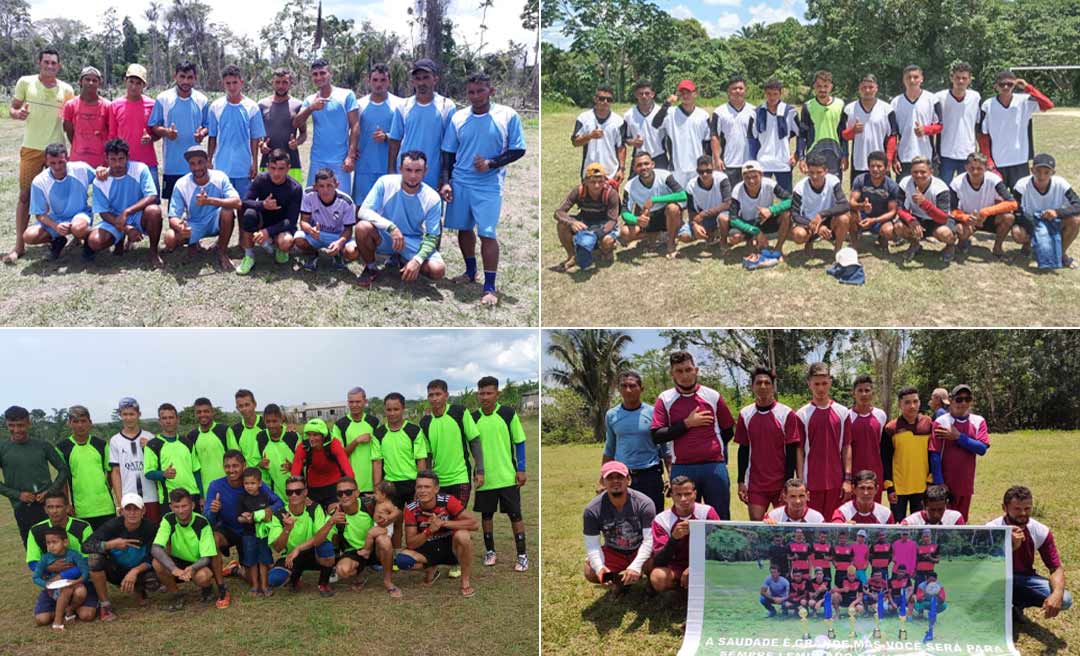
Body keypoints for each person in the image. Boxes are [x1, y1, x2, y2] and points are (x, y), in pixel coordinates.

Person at [440, 72, 528, 306]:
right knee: (463, 229)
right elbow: (448, 153)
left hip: (489, 185)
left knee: (487, 234)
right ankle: (470, 272)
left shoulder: (507, 115)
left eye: (481, 91)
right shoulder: (459, 118)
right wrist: (446, 181)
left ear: (491, 91)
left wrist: (491, 163)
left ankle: (489, 287)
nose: (476, 96)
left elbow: (518, 149)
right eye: (471, 92)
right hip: (460, 182)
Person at [5, 48, 74, 265]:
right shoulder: (25, 82)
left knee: (60, 196)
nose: (50, 66)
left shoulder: (67, 89)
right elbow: (13, 109)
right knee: (25, 196)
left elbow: (70, 121)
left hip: (57, 151)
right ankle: (19, 245)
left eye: (54, 63)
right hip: (31, 149)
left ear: (59, 66)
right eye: (46, 62)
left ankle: (65, 236)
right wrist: (18, 114)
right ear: (39, 63)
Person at [651, 351, 736, 518]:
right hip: (682, 466)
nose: (685, 375)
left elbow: (727, 430)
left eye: (688, 370)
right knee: (685, 517)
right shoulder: (665, 399)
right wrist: (687, 424)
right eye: (679, 371)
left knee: (720, 517)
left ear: (696, 370)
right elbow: (657, 435)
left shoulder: (712, 396)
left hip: (713, 466)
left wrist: (711, 448)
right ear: (672, 373)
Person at [354, 151, 445, 285]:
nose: (413, 176)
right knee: (362, 227)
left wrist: (417, 260)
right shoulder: (385, 182)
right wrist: (391, 227)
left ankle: (405, 259)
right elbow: (363, 211)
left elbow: (432, 236)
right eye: (408, 170)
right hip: (386, 235)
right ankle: (371, 268)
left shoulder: (432, 198)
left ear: (425, 171)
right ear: (400, 168)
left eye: (418, 171)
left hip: (412, 240)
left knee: (437, 270)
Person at [986, 485, 1072, 622]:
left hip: (1025, 579)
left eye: (1027, 508)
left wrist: (1057, 593)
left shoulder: (1040, 530)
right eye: (1017, 509)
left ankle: (1015, 604)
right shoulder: (991, 529)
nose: (1023, 513)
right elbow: (983, 567)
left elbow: (1055, 568)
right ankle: (1003, 606)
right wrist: (1011, 546)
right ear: (1004, 508)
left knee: (1065, 599)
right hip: (995, 579)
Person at [472, 376, 530, 571]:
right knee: (486, 516)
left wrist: (521, 468)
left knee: (515, 515)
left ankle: (522, 555)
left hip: (507, 477)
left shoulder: (507, 413)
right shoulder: (473, 418)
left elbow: (519, 441)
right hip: (485, 479)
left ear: (497, 393)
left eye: (489, 393)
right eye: (482, 393)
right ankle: (490, 552)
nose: (485, 397)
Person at [396, 470, 480, 597]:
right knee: (402, 560)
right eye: (419, 487)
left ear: (436, 489)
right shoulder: (411, 509)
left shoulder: (448, 501)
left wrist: (443, 523)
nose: (423, 491)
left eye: (427, 487)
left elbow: (474, 524)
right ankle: (431, 568)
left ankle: (465, 581)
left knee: (463, 536)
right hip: (428, 547)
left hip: (451, 546)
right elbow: (411, 543)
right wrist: (429, 530)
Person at [735, 366, 801, 521]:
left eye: (767, 383)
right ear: (752, 386)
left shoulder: (786, 413)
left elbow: (791, 451)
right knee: (758, 527)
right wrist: (740, 481)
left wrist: (787, 484)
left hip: (780, 482)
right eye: (759, 383)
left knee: (783, 527)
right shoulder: (745, 414)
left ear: (773, 386)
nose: (763, 386)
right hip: (756, 483)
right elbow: (743, 449)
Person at [1, 405, 70, 549]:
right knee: (32, 547)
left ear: (29, 423)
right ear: (6, 424)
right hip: (22, 507)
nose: (16, 430)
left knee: (57, 546)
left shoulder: (42, 446)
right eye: (11, 425)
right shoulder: (3, 449)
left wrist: (50, 491)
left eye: (20, 425)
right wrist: (18, 495)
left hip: (48, 505)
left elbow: (63, 470)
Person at [85, 138, 163, 265]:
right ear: (106, 159)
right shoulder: (100, 181)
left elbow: (152, 196)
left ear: (128, 157)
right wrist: (126, 228)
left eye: (121, 159)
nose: (117, 164)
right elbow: (103, 212)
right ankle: (119, 238)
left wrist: (127, 212)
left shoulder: (140, 169)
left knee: (154, 211)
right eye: (113, 159)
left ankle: (153, 252)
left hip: (137, 214)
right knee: (95, 242)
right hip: (115, 218)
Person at [583, 461, 656, 596]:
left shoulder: (644, 503)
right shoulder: (592, 510)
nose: (615, 481)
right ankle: (618, 581)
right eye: (610, 478)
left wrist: (636, 565)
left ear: (628, 480)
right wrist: (599, 568)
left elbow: (649, 541)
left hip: (639, 548)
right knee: (590, 571)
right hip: (614, 551)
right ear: (602, 482)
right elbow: (592, 545)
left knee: (656, 560)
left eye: (620, 477)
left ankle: (651, 583)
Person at [164, 145, 242, 270]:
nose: (197, 167)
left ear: (207, 161)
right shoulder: (181, 184)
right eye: (192, 164)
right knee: (170, 238)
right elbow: (173, 216)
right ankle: (193, 243)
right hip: (194, 224)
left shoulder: (220, 177)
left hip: (215, 221)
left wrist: (209, 201)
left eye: (200, 162)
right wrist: (181, 227)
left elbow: (237, 202)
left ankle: (222, 252)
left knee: (227, 211)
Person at [207, 449, 285, 575]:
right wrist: (213, 511)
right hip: (228, 530)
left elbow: (279, 503)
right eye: (227, 466)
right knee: (214, 538)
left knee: (260, 577)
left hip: (250, 532)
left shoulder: (254, 482)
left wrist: (266, 511)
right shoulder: (215, 486)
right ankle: (219, 580)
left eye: (235, 466)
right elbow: (207, 519)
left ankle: (235, 570)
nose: (231, 470)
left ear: (244, 465)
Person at [604, 371, 671, 514]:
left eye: (632, 386)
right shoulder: (611, 415)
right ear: (619, 389)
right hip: (622, 475)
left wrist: (671, 475)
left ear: (641, 389)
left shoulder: (654, 413)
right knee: (624, 517)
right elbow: (610, 448)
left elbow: (665, 448)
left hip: (650, 474)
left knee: (653, 515)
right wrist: (602, 478)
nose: (628, 390)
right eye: (624, 386)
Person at [152, 488, 229, 610]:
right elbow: (155, 548)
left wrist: (192, 568)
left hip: (197, 562)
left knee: (203, 576)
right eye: (176, 507)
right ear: (171, 507)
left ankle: (207, 588)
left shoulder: (202, 522)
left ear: (192, 505)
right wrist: (174, 569)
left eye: (184, 506)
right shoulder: (168, 519)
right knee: (157, 563)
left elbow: (206, 558)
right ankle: (176, 594)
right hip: (177, 560)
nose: (181, 510)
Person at [83, 492, 156, 621]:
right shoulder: (111, 526)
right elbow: (86, 546)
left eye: (136, 509)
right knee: (94, 559)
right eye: (128, 509)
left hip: (140, 571)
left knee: (153, 582)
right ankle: (105, 605)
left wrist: (135, 571)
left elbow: (153, 555)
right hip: (115, 570)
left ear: (143, 510)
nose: (132, 513)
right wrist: (110, 544)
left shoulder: (150, 527)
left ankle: (139, 588)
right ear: (121, 511)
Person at [978, 69, 1055, 191]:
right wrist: (988, 160)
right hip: (998, 161)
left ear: (1014, 85)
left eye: (1009, 84)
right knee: (999, 198)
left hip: (1020, 159)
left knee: (1021, 196)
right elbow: (983, 134)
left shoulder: (1024, 101)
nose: (1006, 87)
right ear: (996, 86)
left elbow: (1048, 105)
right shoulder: (988, 105)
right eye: (1002, 84)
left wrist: (1027, 87)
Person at [388, 58, 456, 191]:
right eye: (417, 79)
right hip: (406, 172)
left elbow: (449, 148)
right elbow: (395, 141)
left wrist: (445, 178)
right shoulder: (403, 106)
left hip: (432, 174)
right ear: (412, 82)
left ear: (435, 79)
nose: (421, 83)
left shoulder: (446, 106)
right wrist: (391, 171)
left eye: (426, 78)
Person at [149, 61, 210, 204]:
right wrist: (166, 132)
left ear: (195, 78)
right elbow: (154, 125)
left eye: (190, 77)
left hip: (196, 165)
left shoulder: (202, 100)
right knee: (173, 206)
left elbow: (208, 126)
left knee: (196, 204)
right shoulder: (164, 99)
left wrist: (202, 133)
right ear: (175, 76)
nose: (186, 81)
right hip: (172, 165)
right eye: (182, 77)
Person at [796, 362, 851, 520]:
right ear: (809, 384)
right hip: (811, 482)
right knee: (813, 526)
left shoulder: (842, 413)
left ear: (830, 382)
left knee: (835, 525)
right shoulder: (802, 414)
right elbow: (799, 450)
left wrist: (847, 479)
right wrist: (801, 482)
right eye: (817, 384)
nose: (821, 388)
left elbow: (846, 446)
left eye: (824, 383)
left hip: (836, 481)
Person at [22, 143, 96, 261]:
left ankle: (89, 240)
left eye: (61, 162)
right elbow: (39, 214)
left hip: (80, 214)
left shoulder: (81, 169)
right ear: (46, 162)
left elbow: (101, 179)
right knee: (29, 236)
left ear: (67, 159)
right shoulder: (39, 181)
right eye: (53, 163)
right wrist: (55, 226)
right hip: (55, 219)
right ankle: (57, 240)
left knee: (78, 228)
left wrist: (101, 171)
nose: (57, 167)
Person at [372, 393, 429, 546]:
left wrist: (420, 486)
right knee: (395, 521)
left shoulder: (413, 431)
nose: (392, 413)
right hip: (391, 485)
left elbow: (421, 460)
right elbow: (377, 462)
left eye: (396, 409)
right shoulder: (379, 433)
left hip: (412, 483)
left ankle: (416, 552)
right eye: (389, 410)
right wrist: (377, 488)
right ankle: (396, 553)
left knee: (417, 521)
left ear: (403, 409)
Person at [418, 379, 483, 512]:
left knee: (457, 517)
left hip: (460, 478)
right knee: (440, 517)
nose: (434, 398)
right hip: (438, 481)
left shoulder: (459, 412)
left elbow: (474, 441)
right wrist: (427, 479)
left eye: (438, 394)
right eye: (431, 395)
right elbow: (428, 455)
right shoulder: (425, 422)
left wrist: (480, 470)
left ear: (446, 395)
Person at [293, 58, 358, 190]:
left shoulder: (346, 95)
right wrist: (311, 108)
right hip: (317, 159)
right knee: (313, 197)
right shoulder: (310, 100)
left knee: (341, 198)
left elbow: (355, 126)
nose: (319, 77)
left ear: (330, 74)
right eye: (315, 74)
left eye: (322, 73)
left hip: (340, 160)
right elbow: (296, 123)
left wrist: (351, 156)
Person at [265, 476, 336, 596]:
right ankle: (295, 578)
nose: (293, 495)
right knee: (273, 580)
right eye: (289, 492)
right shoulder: (279, 514)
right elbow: (278, 548)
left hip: (313, 551)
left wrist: (298, 548)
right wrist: (286, 530)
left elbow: (320, 537)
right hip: (291, 557)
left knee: (326, 547)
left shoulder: (314, 508)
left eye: (298, 491)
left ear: (305, 492)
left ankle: (323, 584)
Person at [649, 476, 718, 596]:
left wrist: (696, 567)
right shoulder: (662, 520)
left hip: (705, 564)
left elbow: (718, 547)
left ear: (695, 494)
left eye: (687, 494)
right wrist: (674, 539)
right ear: (671, 495)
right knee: (658, 576)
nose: (683, 499)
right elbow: (659, 561)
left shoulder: (707, 512)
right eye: (678, 495)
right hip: (677, 566)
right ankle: (680, 591)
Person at [237, 148, 303, 273]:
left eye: (281, 169)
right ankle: (249, 256)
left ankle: (278, 247)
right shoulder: (261, 179)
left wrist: (268, 232)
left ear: (288, 168)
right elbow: (245, 202)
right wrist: (263, 205)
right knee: (249, 215)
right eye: (273, 168)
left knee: (286, 242)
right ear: (267, 166)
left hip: (282, 225)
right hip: (263, 221)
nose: (276, 173)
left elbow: (292, 220)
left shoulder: (295, 188)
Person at [930, 384, 989, 520]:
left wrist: (958, 437)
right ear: (950, 400)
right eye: (959, 399)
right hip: (946, 484)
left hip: (966, 483)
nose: (963, 403)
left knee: (961, 521)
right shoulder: (941, 422)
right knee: (943, 521)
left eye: (967, 399)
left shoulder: (978, 421)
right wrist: (939, 483)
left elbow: (981, 449)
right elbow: (935, 455)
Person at [207, 65, 264, 199]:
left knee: (244, 205)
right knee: (222, 205)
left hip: (243, 167)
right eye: (228, 83)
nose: (232, 87)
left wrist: (254, 162)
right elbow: (212, 136)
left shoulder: (252, 107)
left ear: (241, 82)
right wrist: (209, 160)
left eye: (235, 83)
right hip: (221, 167)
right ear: (223, 84)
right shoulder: (215, 106)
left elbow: (255, 138)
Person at [1013, 153, 1080, 269]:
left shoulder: (1061, 184)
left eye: (1046, 172)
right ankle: (1028, 244)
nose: (1042, 176)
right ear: (1032, 170)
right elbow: (1016, 211)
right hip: (1030, 221)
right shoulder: (1021, 185)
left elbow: (1078, 205)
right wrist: (1036, 227)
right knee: (1017, 233)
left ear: (1053, 172)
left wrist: (1057, 212)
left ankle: (1060, 254)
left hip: (1055, 220)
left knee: (1076, 220)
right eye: (1038, 171)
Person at [552, 162, 621, 271]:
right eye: (593, 182)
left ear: (605, 181)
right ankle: (572, 256)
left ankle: (605, 249)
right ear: (585, 181)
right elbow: (558, 212)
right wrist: (572, 222)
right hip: (585, 221)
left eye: (600, 181)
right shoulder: (579, 191)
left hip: (604, 225)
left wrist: (596, 233)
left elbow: (612, 220)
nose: (597, 185)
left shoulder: (611, 194)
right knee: (562, 225)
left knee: (607, 242)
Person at [56, 405, 114, 530]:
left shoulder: (101, 444)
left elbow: (111, 473)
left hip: (106, 508)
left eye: (83, 421)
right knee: (86, 542)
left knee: (109, 542)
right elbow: (62, 480)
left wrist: (104, 491)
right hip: (80, 510)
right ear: (69, 423)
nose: (80, 425)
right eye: (75, 421)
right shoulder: (62, 448)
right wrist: (67, 504)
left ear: (90, 422)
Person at [950, 152, 1018, 257]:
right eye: (972, 168)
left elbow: (1013, 203)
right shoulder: (957, 183)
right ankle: (962, 243)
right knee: (961, 229)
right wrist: (965, 217)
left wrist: (986, 212)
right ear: (966, 167)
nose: (975, 172)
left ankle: (997, 248)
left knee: (1009, 218)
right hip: (968, 217)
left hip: (988, 217)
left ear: (986, 168)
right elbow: (952, 209)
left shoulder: (994, 180)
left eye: (979, 168)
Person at [882, 386, 933, 521]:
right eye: (907, 402)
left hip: (922, 486)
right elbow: (886, 459)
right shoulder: (891, 428)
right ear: (900, 404)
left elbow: (933, 454)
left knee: (921, 525)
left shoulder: (928, 424)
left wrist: (930, 481)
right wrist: (890, 487)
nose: (912, 406)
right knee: (898, 526)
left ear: (920, 402)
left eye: (915, 401)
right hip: (899, 489)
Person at [620, 152, 685, 257]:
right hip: (648, 217)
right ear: (634, 168)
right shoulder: (630, 186)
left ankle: (670, 243)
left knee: (673, 208)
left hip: (666, 215)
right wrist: (636, 220)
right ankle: (655, 236)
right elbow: (624, 212)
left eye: (646, 163)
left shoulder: (664, 175)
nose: (643, 167)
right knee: (625, 233)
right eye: (639, 165)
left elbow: (682, 195)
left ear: (652, 164)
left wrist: (655, 200)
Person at [107, 64, 159, 195]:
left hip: (148, 161)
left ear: (144, 85)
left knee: (152, 200)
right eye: (131, 81)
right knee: (125, 199)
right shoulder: (115, 105)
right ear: (125, 81)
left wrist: (151, 138)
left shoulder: (152, 105)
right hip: (123, 163)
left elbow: (157, 133)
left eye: (138, 83)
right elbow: (112, 136)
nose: (134, 86)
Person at [724, 160, 793, 258]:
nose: (751, 181)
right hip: (748, 223)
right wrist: (755, 231)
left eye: (754, 177)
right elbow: (733, 219)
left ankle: (778, 248)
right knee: (735, 236)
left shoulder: (770, 184)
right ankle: (750, 241)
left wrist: (771, 210)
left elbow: (791, 200)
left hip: (765, 220)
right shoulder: (737, 190)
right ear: (743, 177)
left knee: (786, 214)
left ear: (761, 175)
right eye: (747, 178)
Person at [294, 168, 359, 272]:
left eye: (329, 185)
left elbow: (349, 230)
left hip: (337, 236)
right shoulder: (308, 194)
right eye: (321, 186)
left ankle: (338, 255)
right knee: (298, 239)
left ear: (336, 185)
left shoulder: (346, 202)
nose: (325, 190)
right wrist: (311, 230)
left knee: (352, 252)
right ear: (315, 186)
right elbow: (303, 221)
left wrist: (339, 242)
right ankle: (313, 254)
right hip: (316, 234)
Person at [895, 156, 957, 263]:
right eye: (915, 172)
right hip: (917, 218)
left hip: (936, 221)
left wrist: (924, 203)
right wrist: (911, 220)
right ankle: (915, 243)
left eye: (923, 172)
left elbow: (943, 218)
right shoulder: (905, 182)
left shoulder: (940, 187)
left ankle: (950, 245)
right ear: (911, 172)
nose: (919, 175)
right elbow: (899, 208)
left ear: (931, 172)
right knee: (898, 227)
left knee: (945, 233)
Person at [353, 63, 401, 202]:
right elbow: (352, 131)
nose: (379, 84)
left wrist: (387, 137)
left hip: (389, 167)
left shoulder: (399, 105)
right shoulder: (359, 105)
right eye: (375, 80)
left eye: (383, 80)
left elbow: (405, 134)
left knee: (387, 206)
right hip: (364, 166)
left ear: (389, 81)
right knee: (361, 206)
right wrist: (352, 150)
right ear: (368, 81)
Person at [651, 79, 712, 188]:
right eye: (682, 93)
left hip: (697, 166)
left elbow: (707, 142)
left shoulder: (703, 115)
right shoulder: (670, 113)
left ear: (695, 94)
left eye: (688, 92)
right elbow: (655, 124)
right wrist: (667, 103)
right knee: (679, 197)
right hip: (677, 166)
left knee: (696, 196)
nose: (685, 96)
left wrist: (707, 164)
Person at [109, 397, 160, 523]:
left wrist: (149, 447)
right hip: (129, 497)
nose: (128, 418)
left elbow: (158, 467)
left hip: (151, 496)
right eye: (125, 414)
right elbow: (116, 472)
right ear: (120, 415)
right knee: (132, 532)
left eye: (132, 414)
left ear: (139, 414)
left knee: (153, 529)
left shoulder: (149, 437)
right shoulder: (115, 440)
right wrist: (120, 501)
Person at [32, 526, 94, 629]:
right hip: (55, 590)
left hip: (75, 586)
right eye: (48, 543)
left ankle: (66, 613)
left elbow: (85, 572)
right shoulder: (45, 558)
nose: (51, 546)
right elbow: (36, 577)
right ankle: (59, 614)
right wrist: (47, 585)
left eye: (54, 542)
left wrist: (76, 581)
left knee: (76, 590)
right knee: (41, 620)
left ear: (65, 542)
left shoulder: (74, 555)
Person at [841, 74, 898, 185]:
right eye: (864, 87)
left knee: (883, 194)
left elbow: (892, 137)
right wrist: (853, 131)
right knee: (858, 194)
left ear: (876, 88)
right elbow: (843, 136)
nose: (867, 90)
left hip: (881, 164)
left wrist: (888, 159)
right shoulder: (849, 109)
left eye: (871, 87)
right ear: (859, 88)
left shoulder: (887, 109)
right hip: (859, 162)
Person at [325, 477, 380, 593]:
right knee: (342, 570)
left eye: (348, 492)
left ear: (357, 493)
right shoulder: (335, 514)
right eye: (340, 493)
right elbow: (320, 540)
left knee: (384, 541)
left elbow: (396, 512)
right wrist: (331, 522)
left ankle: (388, 579)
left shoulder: (370, 504)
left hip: (375, 546)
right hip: (354, 551)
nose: (344, 496)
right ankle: (360, 572)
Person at [144, 402, 202, 511]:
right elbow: (148, 473)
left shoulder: (187, 442)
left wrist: (201, 496)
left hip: (192, 495)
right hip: (169, 499)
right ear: (160, 421)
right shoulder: (153, 445)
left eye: (171, 417)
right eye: (164, 418)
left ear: (177, 419)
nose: (168, 421)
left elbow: (196, 471)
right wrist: (163, 474)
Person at [789, 153, 850, 255]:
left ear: (826, 171)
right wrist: (815, 226)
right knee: (798, 234)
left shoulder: (833, 181)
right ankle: (809, 241)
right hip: (809, 222)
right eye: (811, 172)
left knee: (844, 219)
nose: (815, 176)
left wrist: (821, 214)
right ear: (807, 171)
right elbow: (795, 215)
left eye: (819, 172)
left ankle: (838, 249)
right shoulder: (799, 188)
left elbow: (844, 205)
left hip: (828, 219)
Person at [889, 65, 942, 179]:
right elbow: (893, 134)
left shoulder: (932, 99)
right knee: (904, 189)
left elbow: (940, 125)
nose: (912, 80)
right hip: (904, 157)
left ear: (922, 78)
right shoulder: (895, 102)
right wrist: (894, 158)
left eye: (915, 77)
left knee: (928, 188)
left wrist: (926, 130)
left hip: (926, 156)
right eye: (908, 77)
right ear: (903, 80)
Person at [256, 67, 305, 185]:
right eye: (277, 82)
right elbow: (256, 133)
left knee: (292, 195)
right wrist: (261, 144)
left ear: (291, 83)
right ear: (272, 83)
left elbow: (303, 133)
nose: (281, 86)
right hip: (268, 162)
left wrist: (297, 142)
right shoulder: (262, 105)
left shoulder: (298, 105)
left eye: (284, 82)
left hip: (291, 162)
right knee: (266, 195)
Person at [290, 419, 354, 509]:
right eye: (309, 435)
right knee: (314, 512)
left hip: (334, 484)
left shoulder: (334, 443)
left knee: (335, 511)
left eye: (315, 435)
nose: (311, 439)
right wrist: (296, 491)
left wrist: (351, 489)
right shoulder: (304, 446)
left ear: (323, 435)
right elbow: (296, 467)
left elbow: (346, 466)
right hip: (313, 486)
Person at [749, 79, 799, 192]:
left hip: (783, 162)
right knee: (761, 195)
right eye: (769, 94)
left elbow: (800, 134)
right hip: (763, 162)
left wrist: (797, 155)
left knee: (786, 196)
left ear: (780, 93)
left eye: (775, 94)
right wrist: (753, 160)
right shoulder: (756, 113)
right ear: (765, 94)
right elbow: (752, 139)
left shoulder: (789, 112)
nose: (772, 97)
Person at [330, 387, 381, 497]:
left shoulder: (374, 422)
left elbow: (379, 456)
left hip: (372, 483)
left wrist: (377, 485)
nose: (354, 405)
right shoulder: (340, 425)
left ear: (365, 402)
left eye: (358, 402)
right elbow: (339, 456)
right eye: (351, 402)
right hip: (349, 484)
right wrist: (356, 441)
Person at [845, 375, 888, 503]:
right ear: (853, 393)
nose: (864, 394)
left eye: (867, 390)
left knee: (874, 507)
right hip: (854, 473)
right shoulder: (846, 416)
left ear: (872, 393)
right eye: (860, 390)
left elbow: (882, 446)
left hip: (875, 472)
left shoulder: (881, 415)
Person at [935, 62, 981, 182]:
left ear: (969, 79)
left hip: (968, 152)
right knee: (944, 188)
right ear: (951, 78)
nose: (960, 81)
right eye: (957, 78)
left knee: (966, 188)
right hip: (946, 153)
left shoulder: (975, 97)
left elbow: (977, 124)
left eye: (964, 78)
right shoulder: (940, 97)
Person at [25, 492, 93, 572]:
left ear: (67, 508)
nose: (54, 511)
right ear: (45, 509)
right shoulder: (35, 530)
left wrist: (65, 575)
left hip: (80, 572)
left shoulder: (83, 527)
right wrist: (49, 568)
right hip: (50, 574)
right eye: (50, 507)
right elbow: (32, 562)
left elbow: (88, 559)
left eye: (58, 507)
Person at [185, 397, 238, 500]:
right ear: (195, 414)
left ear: (212, 412)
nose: (202, 414)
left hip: (228, 487)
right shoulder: (192, 436)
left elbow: (236, 459)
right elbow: (193, 468)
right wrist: (201, 495)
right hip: (205, 491)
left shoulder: (224, 430)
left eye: (206, 411)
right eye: (199, 412)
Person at [796, 70, 846, 176]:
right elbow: (802, 135)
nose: (822, 89)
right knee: (815, 185)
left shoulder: (840, 104)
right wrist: (801, 158)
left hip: (835, 155)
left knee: (834, 185)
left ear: (831, 87)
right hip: (814, 155)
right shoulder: (808, 106)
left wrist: (845, 155)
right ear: (814, 86)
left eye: (825, 86)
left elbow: (844, 134)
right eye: (819, 86)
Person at [849, 151, 900, 252]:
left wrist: (874, 220)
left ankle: (882, 238)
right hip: (862, 217)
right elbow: (851, 202)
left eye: (879, 166)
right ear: (868, 167)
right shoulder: (860, 180)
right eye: (872, 166)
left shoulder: (892, 186)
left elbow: (893, 212)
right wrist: (862, 206)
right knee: (849, 215)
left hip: (881, 219)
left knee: (889, 231)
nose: (875, 169)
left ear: (886, 168)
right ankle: (854, 243)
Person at [572, 85, 625, 182]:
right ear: (595, 99)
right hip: (589, 171)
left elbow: (621, 147)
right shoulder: (584, 118)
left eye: (609, 99)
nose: (605, 102)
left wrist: (621, 169)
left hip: (611, 173)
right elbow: (575, 142)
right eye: (602, 98)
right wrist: (590, 136)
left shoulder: (619, 121)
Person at [711, 75, 755, 189]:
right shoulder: (719, 112)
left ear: (745, 90)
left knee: (749, 193)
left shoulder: (754, 111)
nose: (738, 91)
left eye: (741, 88)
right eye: (734, 88)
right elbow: (714, 136)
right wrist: (716, 158)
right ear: (728, 91)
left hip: (749, 162)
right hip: (728, 163)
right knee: (729, 195)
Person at [246, 404, 299, 499]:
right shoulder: (261, 437)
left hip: (294, 492)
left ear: (281, 419)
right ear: (264, 421)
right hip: (272, 495)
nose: (271, 425)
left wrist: (293, 467)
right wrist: (260, 464)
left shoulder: (293, 436)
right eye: (268, 421)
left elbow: (304, 461)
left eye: (274, 421)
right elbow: (253, 461)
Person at [236, 467, 275, 596]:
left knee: (263, 560)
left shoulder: (265, 497)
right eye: (246, 483)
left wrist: (259, 517)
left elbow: (268, 515)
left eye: (252, 483)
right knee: (251, 561)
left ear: (260, 483)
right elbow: (238, 518)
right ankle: (254, 586)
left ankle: (264, 586)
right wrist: (246, 519)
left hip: (262, 535)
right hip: (248, 535)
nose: (249, 486)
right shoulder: (241, 498)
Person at [62, 66, 110, 168]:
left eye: (94, 80)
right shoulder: (70, 105)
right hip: (77, 162)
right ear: (80, 82)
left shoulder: (107, 106)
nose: (91, 83)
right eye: (87, 79)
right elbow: (69, 132)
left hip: (101, 163)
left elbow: (111, 132)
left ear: (99, 83)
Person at [679, 155, 732, 244]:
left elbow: (727, 203)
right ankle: (709, 233)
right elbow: (691, 211)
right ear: (697, 171)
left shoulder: (722, 179)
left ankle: (722, 241)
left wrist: (703, 214)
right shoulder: (691, 186)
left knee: (723, 218)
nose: (705, 174)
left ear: (713, 169)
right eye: (701, 171)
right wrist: (695, 225)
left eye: (708, 171)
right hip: (704, 218)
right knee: (684, 236)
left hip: (721, 214)